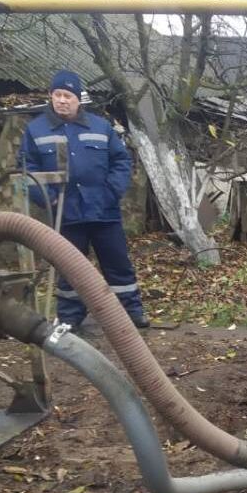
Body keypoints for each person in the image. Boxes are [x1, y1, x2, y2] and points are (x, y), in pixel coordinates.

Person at [19, 70, 148, 332]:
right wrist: (50, 200)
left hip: (104, 212)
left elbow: (122, 160)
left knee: (118, 265)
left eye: (68, 95)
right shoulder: (36, 130)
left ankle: (131, 314)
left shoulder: (100, 127)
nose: (62, 100)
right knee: (69, 270)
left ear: (79, 99)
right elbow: (25, 171)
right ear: (51, 97)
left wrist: (112, 191)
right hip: (65, 213)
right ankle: (69, 319)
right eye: (57, 95)